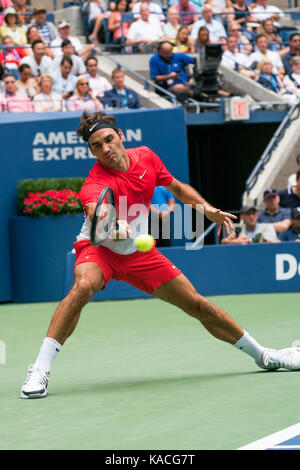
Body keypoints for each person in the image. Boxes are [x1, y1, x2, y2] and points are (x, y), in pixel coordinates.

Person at [20, 110, 300, 400]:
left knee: (197, 305)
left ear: (121, 137)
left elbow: (177, 188)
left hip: (138, 254)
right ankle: (40, 367)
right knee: (83, 287)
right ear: (91, 151)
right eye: (96, 146)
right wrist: (114, 227)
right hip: (99, 248)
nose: (105, 149)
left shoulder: (147, 158)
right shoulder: (95, 183)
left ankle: (264, 355)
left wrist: (206, 209)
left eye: (108, 140)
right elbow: (97, 216)